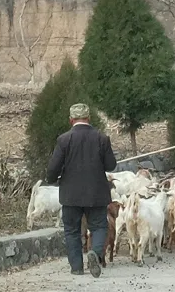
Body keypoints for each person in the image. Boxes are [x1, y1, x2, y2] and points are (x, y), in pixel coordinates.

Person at [46, 103, 117, 278]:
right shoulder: (102, 138)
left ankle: (76, 267)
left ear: (71, 120)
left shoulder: (64, 140)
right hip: (97, 194)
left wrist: (52, 179)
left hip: (70, 195)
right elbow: (111, 165)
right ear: (89, 119)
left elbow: (53, 168)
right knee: (99, 226)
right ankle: (95, 252)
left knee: (72, 230)